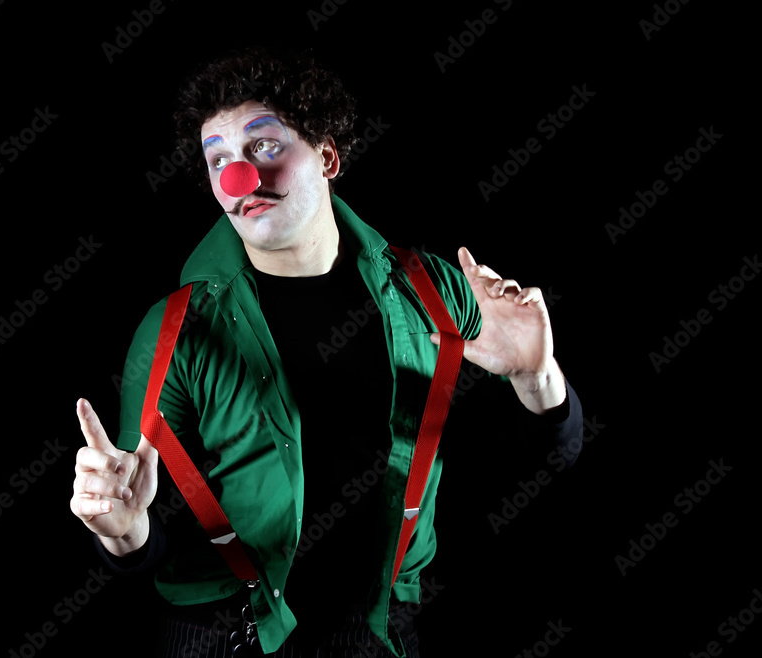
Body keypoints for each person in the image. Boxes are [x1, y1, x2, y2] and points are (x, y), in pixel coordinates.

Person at [70, 48, 582, 657]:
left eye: (264, 146)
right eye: (218, 160)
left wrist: (536, 377)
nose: (239, 179)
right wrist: (124, 533)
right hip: (224, 636)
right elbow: (142, 522)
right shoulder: (176, 330)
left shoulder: (435, 293)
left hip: (378, 632)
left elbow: (543, 462)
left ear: (329, 157)